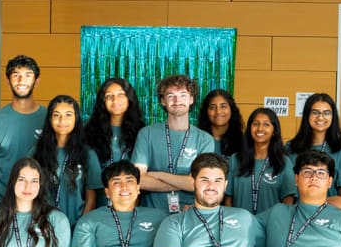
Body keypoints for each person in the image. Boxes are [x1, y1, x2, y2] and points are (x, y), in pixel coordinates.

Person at [132, 74, 215, 213]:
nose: (177, 100)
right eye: (171, 96)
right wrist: (186, 182)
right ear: (163, 101)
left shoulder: (205, 139)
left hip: (190, 214)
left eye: (183, 95)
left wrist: (157, 175)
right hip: (151, 215)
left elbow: (199, 182)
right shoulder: (146, 134)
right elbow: (138, 180)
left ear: (191, 99)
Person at [0, 55, 47, 209]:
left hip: (40, 204)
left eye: (28, 75)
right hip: (1, 203)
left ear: (37, 81)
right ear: (7, 81)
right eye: (16, 75)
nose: (21, 81)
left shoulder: (50, 118)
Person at [34, 94, 101, 227]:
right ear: (50, 119)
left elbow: (91, 199)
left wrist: (80, 228)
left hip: (76, 225)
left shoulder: (88, 154)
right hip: (43, 226)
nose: (62, 120)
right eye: (57, 115)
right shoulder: (37, 152)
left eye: (68, 115)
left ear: (76, 118)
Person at [225, 107, 295, 214]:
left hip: (271, 225)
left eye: (266, 124)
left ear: (274, 131)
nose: (260, 129)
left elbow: (288, 199)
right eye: (256, 124)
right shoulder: (235, 159)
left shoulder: (283, 162)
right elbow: (228, 197)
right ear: (249, 129)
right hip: (240, 226)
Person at [287, 92, 341, 199]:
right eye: (315, 112)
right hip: (296, 212)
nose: (320, 117)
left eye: (327, 113)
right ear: (307, 115)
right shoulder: (291, 148)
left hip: (328, 214)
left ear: (333, 117)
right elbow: (286, 190)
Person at [85, 77, 145, 168]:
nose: (115, 100)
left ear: (129, 98)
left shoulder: (143, 132)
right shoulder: (88, 132)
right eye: (109, 96)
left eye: (121, 95)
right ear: (103, 101)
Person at [198, 89, 243, 157]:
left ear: (231, 109)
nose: (218, 112)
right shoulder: (198, 140)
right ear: (206, 112)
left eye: (223, 106)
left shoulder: (243, 142)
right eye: (212, 107)